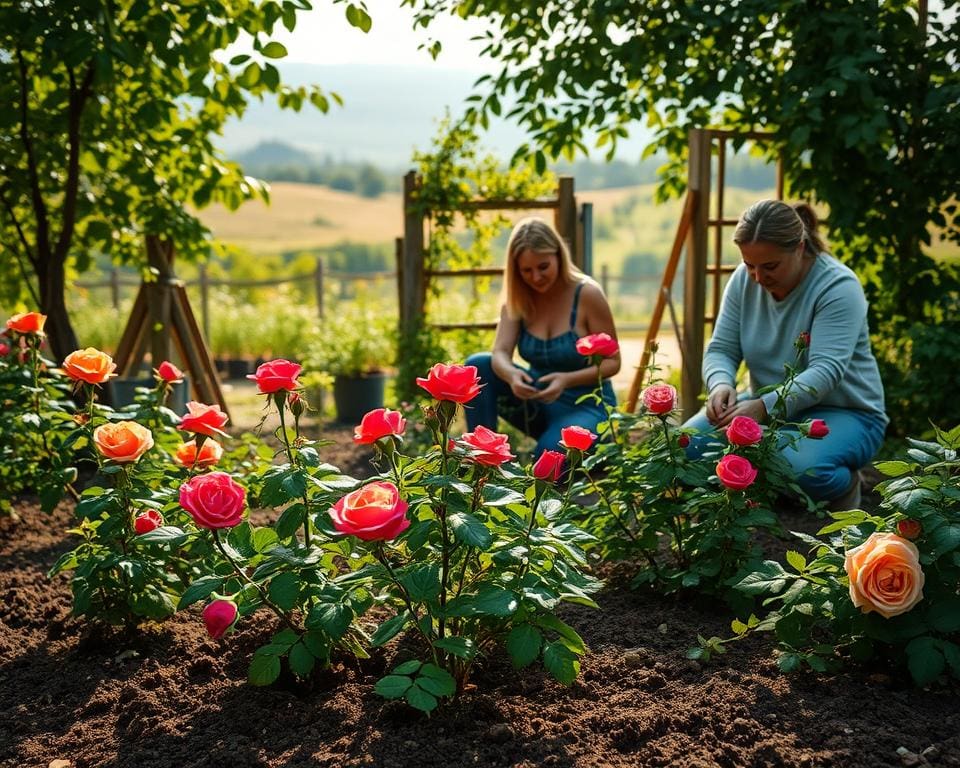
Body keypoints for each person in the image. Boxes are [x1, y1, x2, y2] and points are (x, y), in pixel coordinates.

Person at [683, 199, 888, 508]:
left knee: (804, 469)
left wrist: (762, 408)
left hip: (848, 413)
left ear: (799, 247)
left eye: (769, 266)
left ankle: (844, 484)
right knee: (683, 448)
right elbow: (721, 349)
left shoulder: (838, 286)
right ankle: (780, 480)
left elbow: (826, 371)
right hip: (769, 410)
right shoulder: (744, 279)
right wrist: (721, 384)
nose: (756, 277)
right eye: (749, 265)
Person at [465, 217, 621, 456]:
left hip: (587, 407)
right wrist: (512, 375)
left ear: (559, 255)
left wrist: (566, 380)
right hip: (538, 401)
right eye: (526, 270)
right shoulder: (518, 297)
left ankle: (597, 448)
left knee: (547, 460)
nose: (536, 277)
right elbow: (501, 352)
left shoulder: (588, 294)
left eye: (543, 266)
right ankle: (484, 457)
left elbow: (613, 362)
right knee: (478, 365)